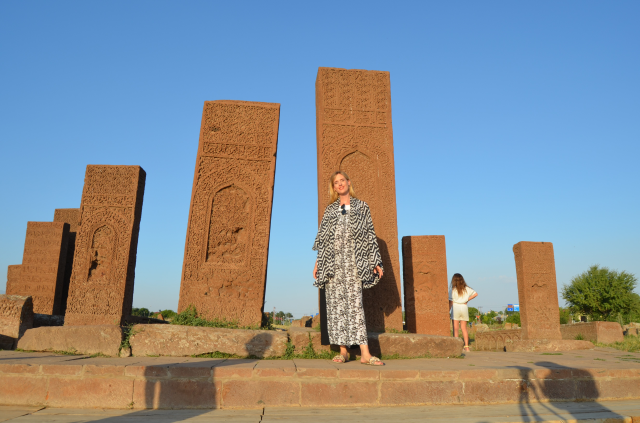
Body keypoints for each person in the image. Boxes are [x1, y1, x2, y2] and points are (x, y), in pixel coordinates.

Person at [312, 171, 384, 366]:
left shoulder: (362, 207)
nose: (340, 184)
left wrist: (376, 261)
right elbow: (324, 239)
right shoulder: (330, 210)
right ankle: (343, 352)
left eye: (342, 180)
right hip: (333, 264)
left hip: (354, 262)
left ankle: (365, 353)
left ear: (348, 183)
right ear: (334, 187)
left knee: (355, 305)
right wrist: (319, 262)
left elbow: (369, 234)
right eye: (336, 182)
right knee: (336, 307)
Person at [448, 273, 478, 352]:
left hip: (455, 307)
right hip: (464, 307)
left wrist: (448, 310)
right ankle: (467, 347)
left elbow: (450, 302)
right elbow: (475, 294)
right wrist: (467, 300)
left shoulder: (452, 290)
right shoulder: (466, 288)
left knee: (456, 328)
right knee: (464, 328)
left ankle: (456, 346)